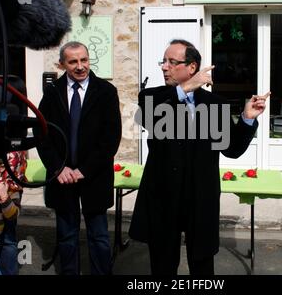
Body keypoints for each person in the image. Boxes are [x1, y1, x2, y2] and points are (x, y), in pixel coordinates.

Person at [129, 39, 269, 275]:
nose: (164, 67)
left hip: (200, 197)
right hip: (163, 196)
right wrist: (184, 89)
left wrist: (247, 118)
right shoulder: (152, 97)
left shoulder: (215, 104)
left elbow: (232, 150)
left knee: (202, 265)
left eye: (172, 62)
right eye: (163, 62)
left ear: (191, 67)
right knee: (162, 265)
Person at [36, 41, 122, 275]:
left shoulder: (105, 91)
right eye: (73, 61)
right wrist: (58, 168)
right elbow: (42, 134)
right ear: (62, 63)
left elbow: (111, 137)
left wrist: (85, 169)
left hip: (94, 176)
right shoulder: (52, 92)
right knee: (67, 237)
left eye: (84, 60)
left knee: (100, 238)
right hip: (62, 177)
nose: (80, 66)